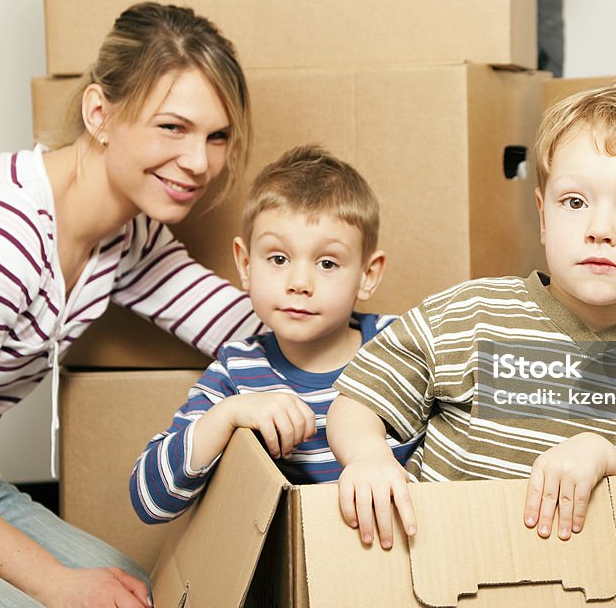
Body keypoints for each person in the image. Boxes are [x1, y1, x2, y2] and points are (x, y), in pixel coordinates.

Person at [0, 2, 264, 607]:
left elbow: (244, 327)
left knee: (147, 597)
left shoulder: (126, 234)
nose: (199, 162)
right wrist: (52, 581)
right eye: (172, 128)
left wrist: (411, 350)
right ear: (101, 113)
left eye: (217, 136)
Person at [327, 78, 616, 551]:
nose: (600, 229)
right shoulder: (469, 314)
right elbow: (358, 402)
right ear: (542, 215)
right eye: (574, 202)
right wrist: (368, 457)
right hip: (438, 565)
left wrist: (607, 458)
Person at [130, 145, 419, 524]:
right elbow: (149, 501)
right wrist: (228, 415)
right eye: (278, 259)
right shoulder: (236, 372)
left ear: (368, 274)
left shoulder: (399, 346)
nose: (299, 283)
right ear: (246, 264)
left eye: (327, 263)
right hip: (294, 569)